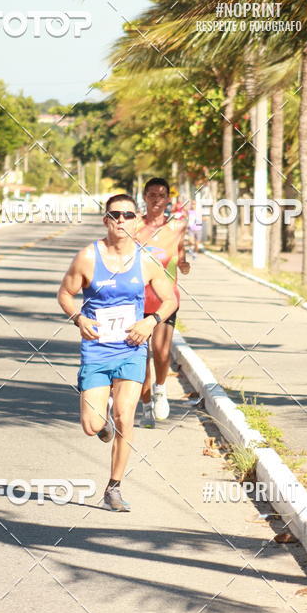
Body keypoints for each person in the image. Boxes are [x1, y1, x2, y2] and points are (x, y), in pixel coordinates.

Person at [57, 193, 177, 512]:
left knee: (127, 417)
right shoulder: (87, 257)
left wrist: (151, 322)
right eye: (114, 215)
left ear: (137, 221)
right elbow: (66, 294)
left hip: (131, 348)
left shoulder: (147, 260)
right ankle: (102, 416)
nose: (121, 221)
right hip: (97, 350)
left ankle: (114, 486)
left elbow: (170, 300)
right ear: (106, 220)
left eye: (127, 215)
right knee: (91, 426)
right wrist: (79, 317)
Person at [135, 178, 190, 428]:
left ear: (168, 199)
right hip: (136, 297)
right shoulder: (134, 225)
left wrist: (183, 263)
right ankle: (145, 404)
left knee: (160, 349)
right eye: (152, 195)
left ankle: (160, 389)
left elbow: (179, 253)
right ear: (144, 197)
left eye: (161, 195)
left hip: (166, 298)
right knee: (140, 354)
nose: (157, 199)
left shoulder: (176, 228)